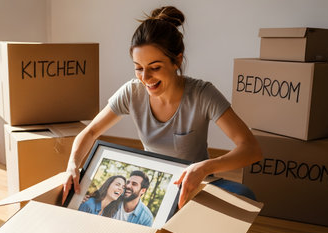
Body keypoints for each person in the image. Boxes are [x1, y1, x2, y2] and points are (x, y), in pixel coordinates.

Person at [63, 6, 262, 209]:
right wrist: (73, 164)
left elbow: (251, 149)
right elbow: (91, 131)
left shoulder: (202, 94)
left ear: (177, 60)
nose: (145, 78)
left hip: (196, 184)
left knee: (245, 195)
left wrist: (204, 168)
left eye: (155, 67)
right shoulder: (132, 92)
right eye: (138, 68)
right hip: (157, 186)